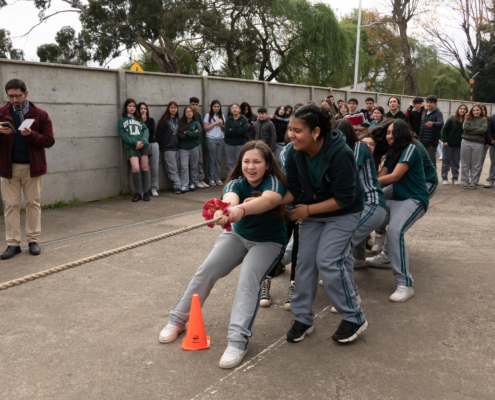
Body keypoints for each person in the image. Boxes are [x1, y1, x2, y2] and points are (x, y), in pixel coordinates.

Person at [159, 141, 287, 369]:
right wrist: (225, 210)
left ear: (268, 165)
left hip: (268, 242)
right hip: (237, 235)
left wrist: (239, 211)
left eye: (257, 162)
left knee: (248, 281)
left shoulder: (273, 182)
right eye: (246, 161)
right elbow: (229, 200)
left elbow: (269, 200)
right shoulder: (236, 182)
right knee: (206, 270)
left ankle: (238, 341)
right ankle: (178, 319)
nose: (251, 167)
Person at [282, 104, 367, 344]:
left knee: (328, 261)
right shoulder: (293, 152)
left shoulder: (341, 153)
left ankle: (354, 317)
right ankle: (303, 318)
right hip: (312, 210)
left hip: (344, 211)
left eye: (297, 130)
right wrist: (263, 201)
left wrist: (307, 210)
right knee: (304, 262)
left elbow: (344, 198)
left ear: (316, 131)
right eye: (290, 129)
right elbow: (293, 190)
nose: (291, 135)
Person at [329, 120, 386, 313]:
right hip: (359, 206)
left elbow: (348, 176)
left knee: (342, 244)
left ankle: (351, 294)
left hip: (371, 204)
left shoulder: (358, 148)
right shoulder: (342, 150)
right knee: (343, 241)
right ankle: (352, 268)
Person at [374, 120, 430, 302]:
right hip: (397, 198)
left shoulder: (411, 149)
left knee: (395, 231)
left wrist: (367, 182)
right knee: (365, 216)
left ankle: (405, 284)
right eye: (388, 133)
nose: (389, 136)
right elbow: (381, 176)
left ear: (402, 133)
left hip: (413, 199)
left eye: (393, 132)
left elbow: (395, 176)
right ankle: (351, 263)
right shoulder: (393, 151)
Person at [0, 79, 55, 259]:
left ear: (26, 93)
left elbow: (49, 141)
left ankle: (33, 240)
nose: (14, 100)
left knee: (33, 204)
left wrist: (31, 135)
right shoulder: (1, 113)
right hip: (8, 168)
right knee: (11, 205)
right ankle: (13, 244)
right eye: (10, 97)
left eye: (18, 96)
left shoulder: (40, 114)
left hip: (33, 167)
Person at [118, 99, 150, 202]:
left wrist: (142, 141)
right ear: (126, 107)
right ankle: (137, 193)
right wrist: (135, 143)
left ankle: (145, 192)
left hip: (143, 145)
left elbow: (146, 130)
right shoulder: (122, 120)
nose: (132, 108)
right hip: (131, 147)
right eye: (130, 106)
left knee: (144, 167)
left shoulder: (139, 118)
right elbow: (123, 135)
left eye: (134, 106)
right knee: (136, 168)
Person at [155, 102, 182, 194]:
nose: (173, 109)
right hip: (167, 148)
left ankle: (181, 184)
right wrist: (162, 144)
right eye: (171, 107)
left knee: (179, 167)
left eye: (175, 107)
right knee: (172, 168)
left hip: (178, 147)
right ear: (168, 109)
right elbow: (158, 134)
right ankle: (177, 186)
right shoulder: (164, 121)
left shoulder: (179, 120)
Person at [460, 104, 488, 189]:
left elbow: (483, 130)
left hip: (478, 143)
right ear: (471, 111)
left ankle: (473, 182)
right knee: (465, 163)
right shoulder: (468, 118)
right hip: (466, 142)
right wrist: (477, 128)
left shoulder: (484, 119)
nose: (475, 112)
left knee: (476, 164)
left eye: (477, 110)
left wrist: (471, 129)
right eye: (474, 110)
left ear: (481, 111)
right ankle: (465, 181)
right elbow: (465, 128)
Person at [440, 105, 467, 185]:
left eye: (464, 109)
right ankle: (444, 178)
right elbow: (444, 130)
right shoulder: (451, 119)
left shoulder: (466, 120)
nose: (462, 110)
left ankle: (455, 178)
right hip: (448, 145)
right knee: (446, 162)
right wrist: (444, 140)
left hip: (459, 146)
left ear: (466, 111)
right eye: (461, 109)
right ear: (458, 110)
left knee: (456, 163)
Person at [178, 106, 202, 193]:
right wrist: (192, 134)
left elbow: (198, 134)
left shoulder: (196, 123)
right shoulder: (181, 123)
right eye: (187, 111)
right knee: (184, 166)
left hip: (194, 147)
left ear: (193, 113)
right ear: (184, 113)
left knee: (194, 166)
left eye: (190, 111)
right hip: (183, 148)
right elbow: (179, 135)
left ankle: (193, 184)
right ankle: (184, 185)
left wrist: (187, 133)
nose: (189, 113)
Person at [138, 102, 158, 196]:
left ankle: (154, 187)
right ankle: (143, 189)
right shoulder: (136, 121)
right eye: (141, 108)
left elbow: (152, 132)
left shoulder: (151, 120)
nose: (143, 110)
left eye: (145, 108)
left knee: (154, 168)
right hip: (142, 145)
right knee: (143, 168)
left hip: (152, 144)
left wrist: (145, 121)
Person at [418, 95, 444, 169]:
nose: (429, 104)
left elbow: (441, 123)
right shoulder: (424, 113)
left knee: (431, 163)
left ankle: (433, 176)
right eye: (428, 102)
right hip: (422, 142)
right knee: (421, 162)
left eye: (431, 102)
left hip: (431, 143)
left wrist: (433, 124)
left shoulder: (438, 113)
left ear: (435, 103)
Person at [204, 100, 225, 187]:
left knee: (219, 160)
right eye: (215, 106)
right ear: (212, 107)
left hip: (220, 139)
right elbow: (206, 128)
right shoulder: (208, 115)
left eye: (218, 106)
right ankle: (211, 179)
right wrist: (215, 123)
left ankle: (218, 178)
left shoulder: (222, 116)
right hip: (211, 138)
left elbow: (224, 129)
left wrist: (220, 124)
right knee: (212, 160)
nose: (216, 108)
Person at [189, 97, 209, 189]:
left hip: (198, 142)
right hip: (190, 143)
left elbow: (200, 130)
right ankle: (195, 180)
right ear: (189, 104)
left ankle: (201, 179)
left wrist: (196, 132)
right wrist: (193, 132)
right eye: (193, 104)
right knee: (193, 164)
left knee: (200, 162)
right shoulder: (187, 114)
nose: (195, 106)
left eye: (197, 105)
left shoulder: (198, 115)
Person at [225, 103, 248, 175]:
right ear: (230, 110)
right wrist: (237, 130)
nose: (234, 109)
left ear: (239, 110)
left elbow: (243, 131)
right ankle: (231, 177)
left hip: (240, 144)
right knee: (230, 162)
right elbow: (227, 131)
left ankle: (240, 177)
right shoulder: (229, 119)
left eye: (236, 107)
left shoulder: (244, 119)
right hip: (229, 144)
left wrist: (232, 130)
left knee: (240, 162)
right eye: (232, 108)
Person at [484, 111, 495, 188]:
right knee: (494, 162)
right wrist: (491, 139)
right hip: (494, 144)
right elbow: (489, 130)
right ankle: (490, 180)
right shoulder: (493, 117)